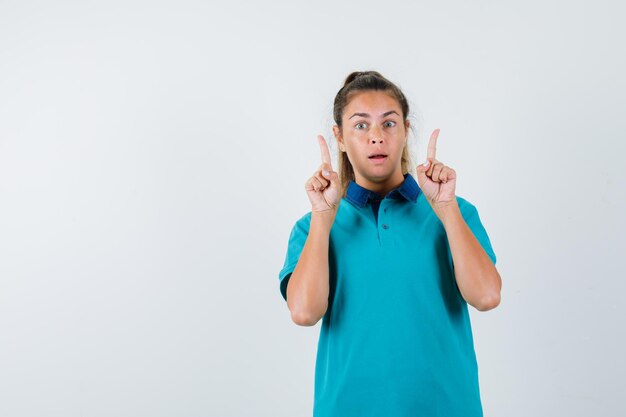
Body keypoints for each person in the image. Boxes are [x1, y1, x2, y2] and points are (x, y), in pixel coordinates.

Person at [277, 70, 502, 417]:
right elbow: (305, 313)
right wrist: (324, 216)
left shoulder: (454, 211)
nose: (377, 137)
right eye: (361, 125)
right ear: (339, 137)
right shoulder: (312, 227)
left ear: (406, 130)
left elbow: (487, 296)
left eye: (389, 123)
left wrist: (446, 209)